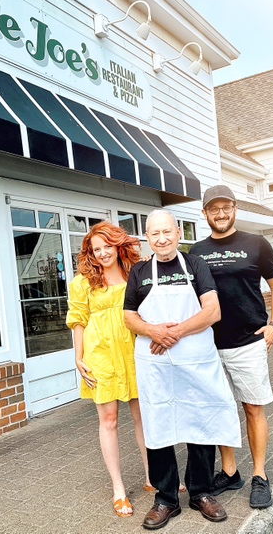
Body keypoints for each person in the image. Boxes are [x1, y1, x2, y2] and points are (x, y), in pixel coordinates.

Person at [124, 209, 241, 530]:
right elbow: (129, 316)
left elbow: (212, 311)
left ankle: (201, 492)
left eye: (167, 232)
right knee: (158, 422)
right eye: (154, 234)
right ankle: (166, 499)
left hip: (195, 361)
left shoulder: (195, 265)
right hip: (156, 365)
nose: (161, 239)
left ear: (177, 233)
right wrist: (152, 331)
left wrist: (170, 333)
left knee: (200, 420)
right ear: (147, 238)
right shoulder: (139, 272)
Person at [190, 185, 273, 509]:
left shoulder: (255, 243)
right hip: (208, 343)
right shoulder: (195, 250)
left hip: (249, 341)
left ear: (234, 209)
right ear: (205, 213)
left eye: (225, 207)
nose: (220, 213)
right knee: (221, 408)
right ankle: (230, 472)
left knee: (252, 407)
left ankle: (260, 475)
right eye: (213, 209)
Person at [66, 221, 151, 518]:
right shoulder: (83, 281)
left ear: (117, 245)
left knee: (143, 414)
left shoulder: (135, 272)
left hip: (133, 349)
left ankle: (152, 476)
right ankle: (118, 489)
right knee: (110, 419)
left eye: (107, 246)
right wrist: (78, 358)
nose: (102, 254)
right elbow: (78, 320)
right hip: (100, 354)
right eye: (96, 249)